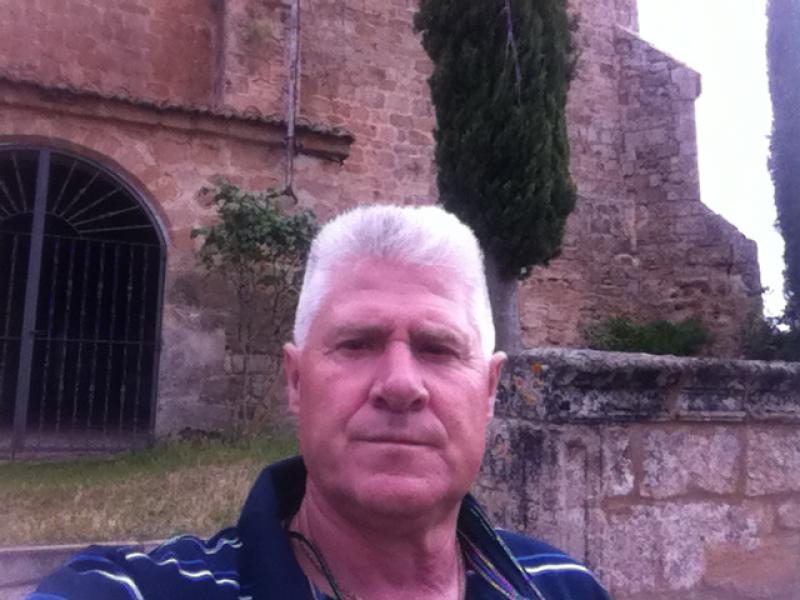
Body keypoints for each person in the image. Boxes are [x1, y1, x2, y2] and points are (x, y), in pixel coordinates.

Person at [30, 204, 611, 600]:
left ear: (487, 390)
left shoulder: (564, 586)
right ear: (296, 381)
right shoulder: (138, 591)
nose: (400, 384)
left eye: (438, 348)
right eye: (356, 344)